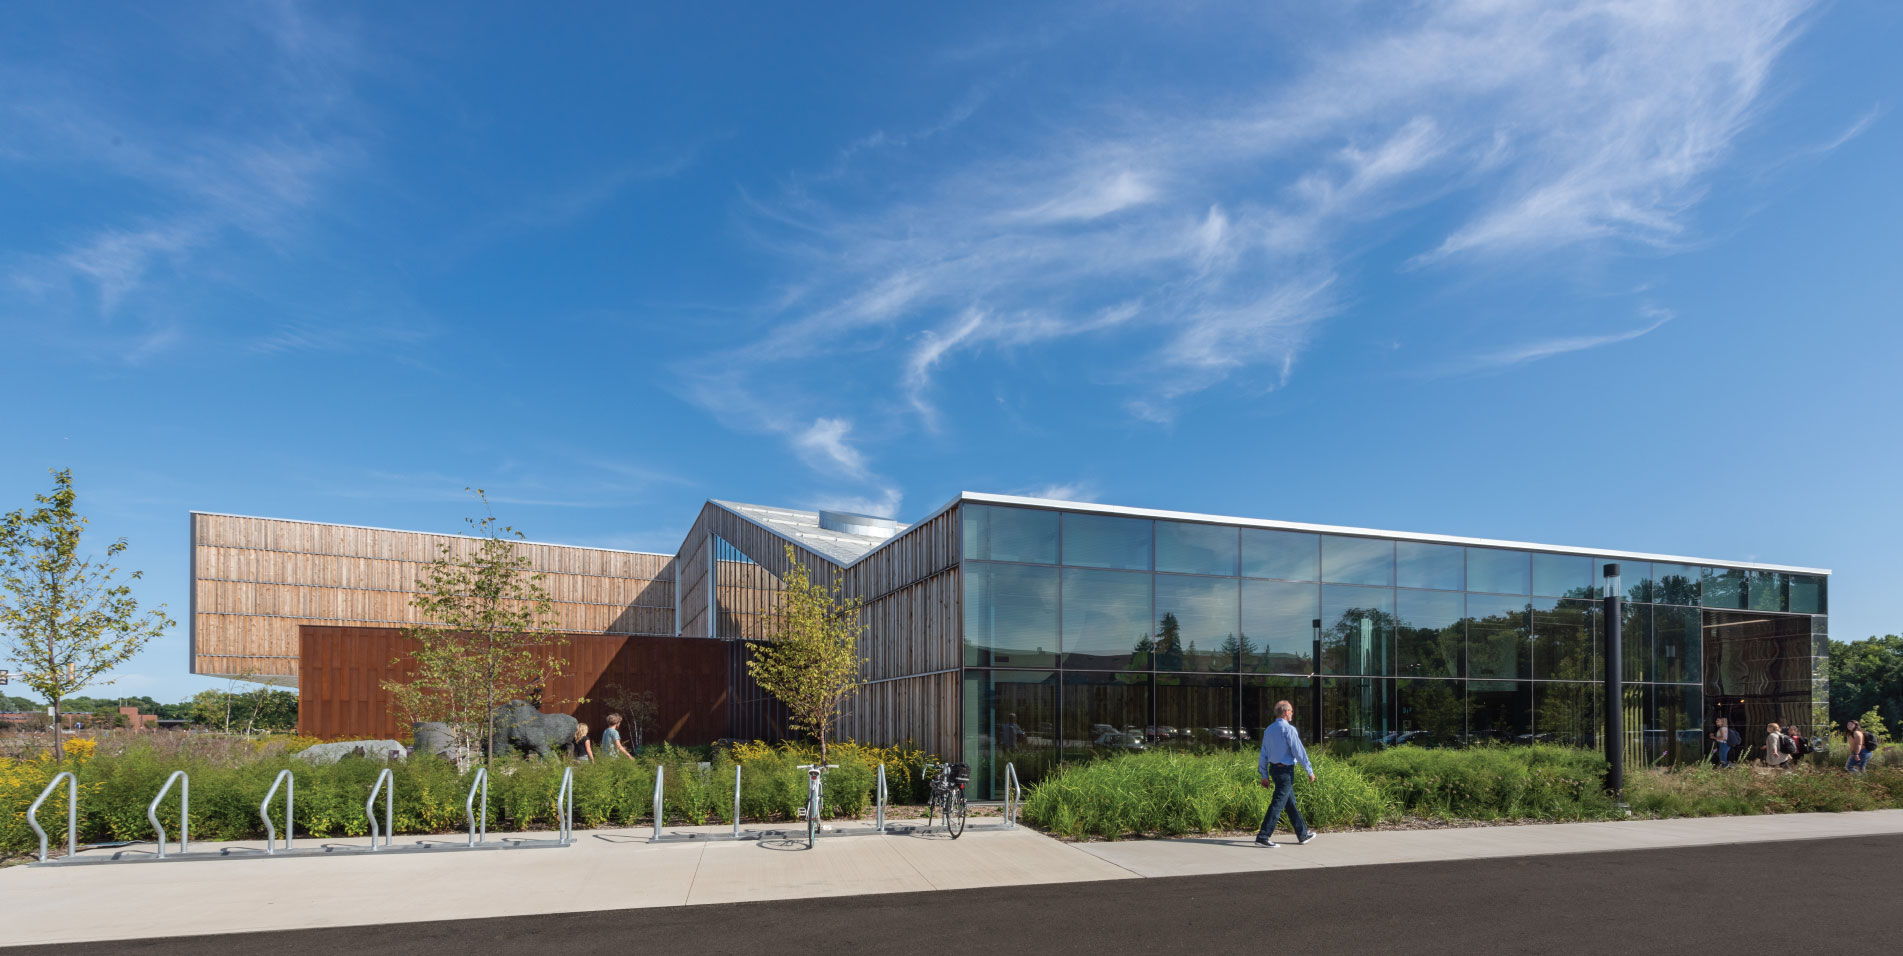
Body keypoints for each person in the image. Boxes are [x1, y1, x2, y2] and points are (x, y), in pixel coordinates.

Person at [1255, 700, 1317, 848]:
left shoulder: (1269, 730)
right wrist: (1309, 770)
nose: (1292, 714)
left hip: (1274, 770)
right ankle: (1263, 836)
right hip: (1285, 772)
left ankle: (1302, 834)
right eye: (1291, 711)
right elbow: (1299, 751)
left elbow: (1263, 753)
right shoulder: (1289, 729)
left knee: (1290, 804)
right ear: (1285, 712)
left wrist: (1264, 774)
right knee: (1277, 804)